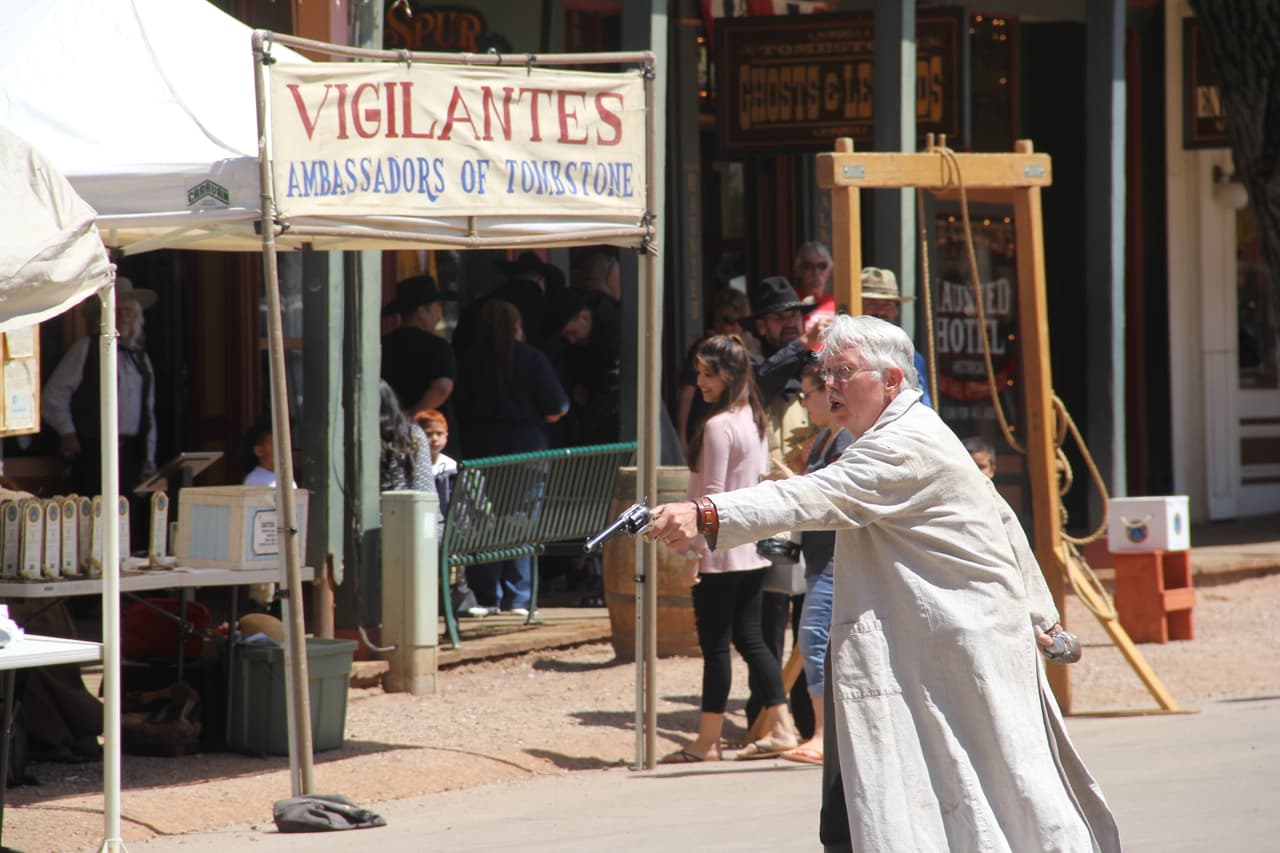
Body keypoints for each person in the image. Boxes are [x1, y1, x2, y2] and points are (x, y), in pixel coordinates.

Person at [645, 314, 1120, 852]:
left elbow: (814, 498)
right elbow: (1004, 523)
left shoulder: (903, 443)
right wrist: (1041, 614)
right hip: (929, 658)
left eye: (844, 372)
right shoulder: (902, 434)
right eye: (826, 372)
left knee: (998, 799)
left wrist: (705, 512)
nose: (830, 385)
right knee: (892, 811)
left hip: (954, 659)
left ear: (891, 380)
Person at [659, 334, 798, 765]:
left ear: (728, 375)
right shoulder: (755, 420)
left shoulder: (720, 426)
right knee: (751, 639)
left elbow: (711, 498)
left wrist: (693, 556)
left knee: (718, 645)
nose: (699, 382)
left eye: (707, 373)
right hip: (748, 548)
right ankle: (783, 725)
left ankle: (708, 739)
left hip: (719, 552)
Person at [454, 299, 569, 615]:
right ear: (518, 326)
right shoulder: (533, 359)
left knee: (483, 521)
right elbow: (557, 407)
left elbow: (459, 406)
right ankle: (518, 597)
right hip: (527, 450)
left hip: (483, 450)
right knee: (522, 521)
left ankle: (486, 594)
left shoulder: (469, 360)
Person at [769, 361, 851, 767]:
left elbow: (827, 495)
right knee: (816, 639)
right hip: (819, 554)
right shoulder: (822, 441)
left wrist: (789, 482)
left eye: (807, 394)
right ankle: (824, 732)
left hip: (837, 554)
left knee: (815, 638)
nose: (803, 404)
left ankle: (823, 734)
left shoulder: (845, 440)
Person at [42, 276, 158, 546]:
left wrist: (149, 458)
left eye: (128, 311)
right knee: (94, 522)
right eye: (117, 311)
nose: (123, 317)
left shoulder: (141, 358)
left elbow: (148, 412)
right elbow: (52, 396)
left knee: (128, 524)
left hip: (130, 453)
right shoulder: (85, 349)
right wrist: (67, 431)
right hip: (93, 451)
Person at [380, 274, 460, 455]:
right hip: (432, 434)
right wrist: (411, 415)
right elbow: (442, 387)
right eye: (436, 308)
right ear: (422, 312)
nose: (440, 314)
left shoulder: (383, 345)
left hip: (388, 432)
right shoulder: (438, 346)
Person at [675, 286, 752, 457]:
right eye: (727, 320)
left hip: (733, 428)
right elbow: (687, 392)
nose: (733, 327)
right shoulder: (704, 348)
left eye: (740, 321)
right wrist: (681, 437)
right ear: (716, 321)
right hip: (701, 426)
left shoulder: (744, 352)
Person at [860, 266, 932, 406]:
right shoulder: (841, 353)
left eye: (887, 305)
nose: (880, 311)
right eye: (872, 304)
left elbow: (923, 406)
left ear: (896, 310)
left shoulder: (911, 358)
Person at [793, 241, 836, 334]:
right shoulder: (791, 304)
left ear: (830, 270)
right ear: (798, 270)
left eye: (822, 266)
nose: (815, 272)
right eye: (808, 266)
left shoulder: (836, 304)